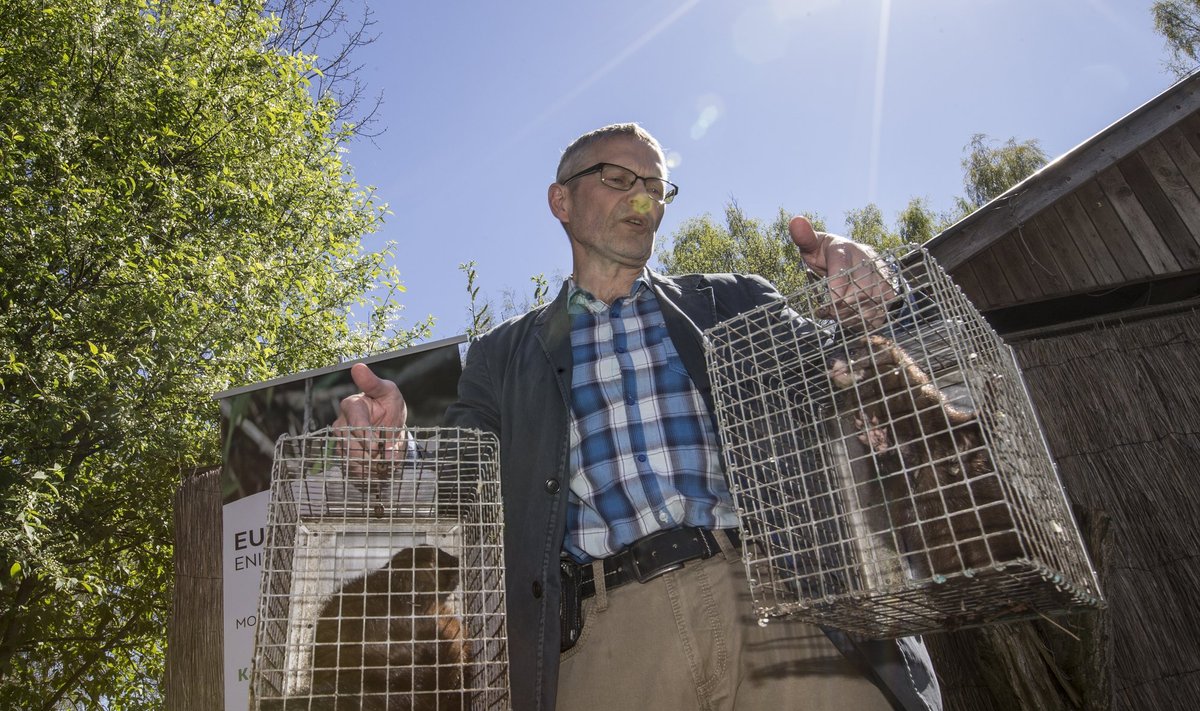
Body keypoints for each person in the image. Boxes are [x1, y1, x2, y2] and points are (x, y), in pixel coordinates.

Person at [335, 123, 942, 711]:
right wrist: (393, 451)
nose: (642, 198)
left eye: (655, 186)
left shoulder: (733, 300)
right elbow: (462, 478)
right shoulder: (501, 356)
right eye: (619, 177)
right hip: (606, 641)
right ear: (561, 200)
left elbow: (866, 373)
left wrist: (875, 303)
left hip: (781, 606)